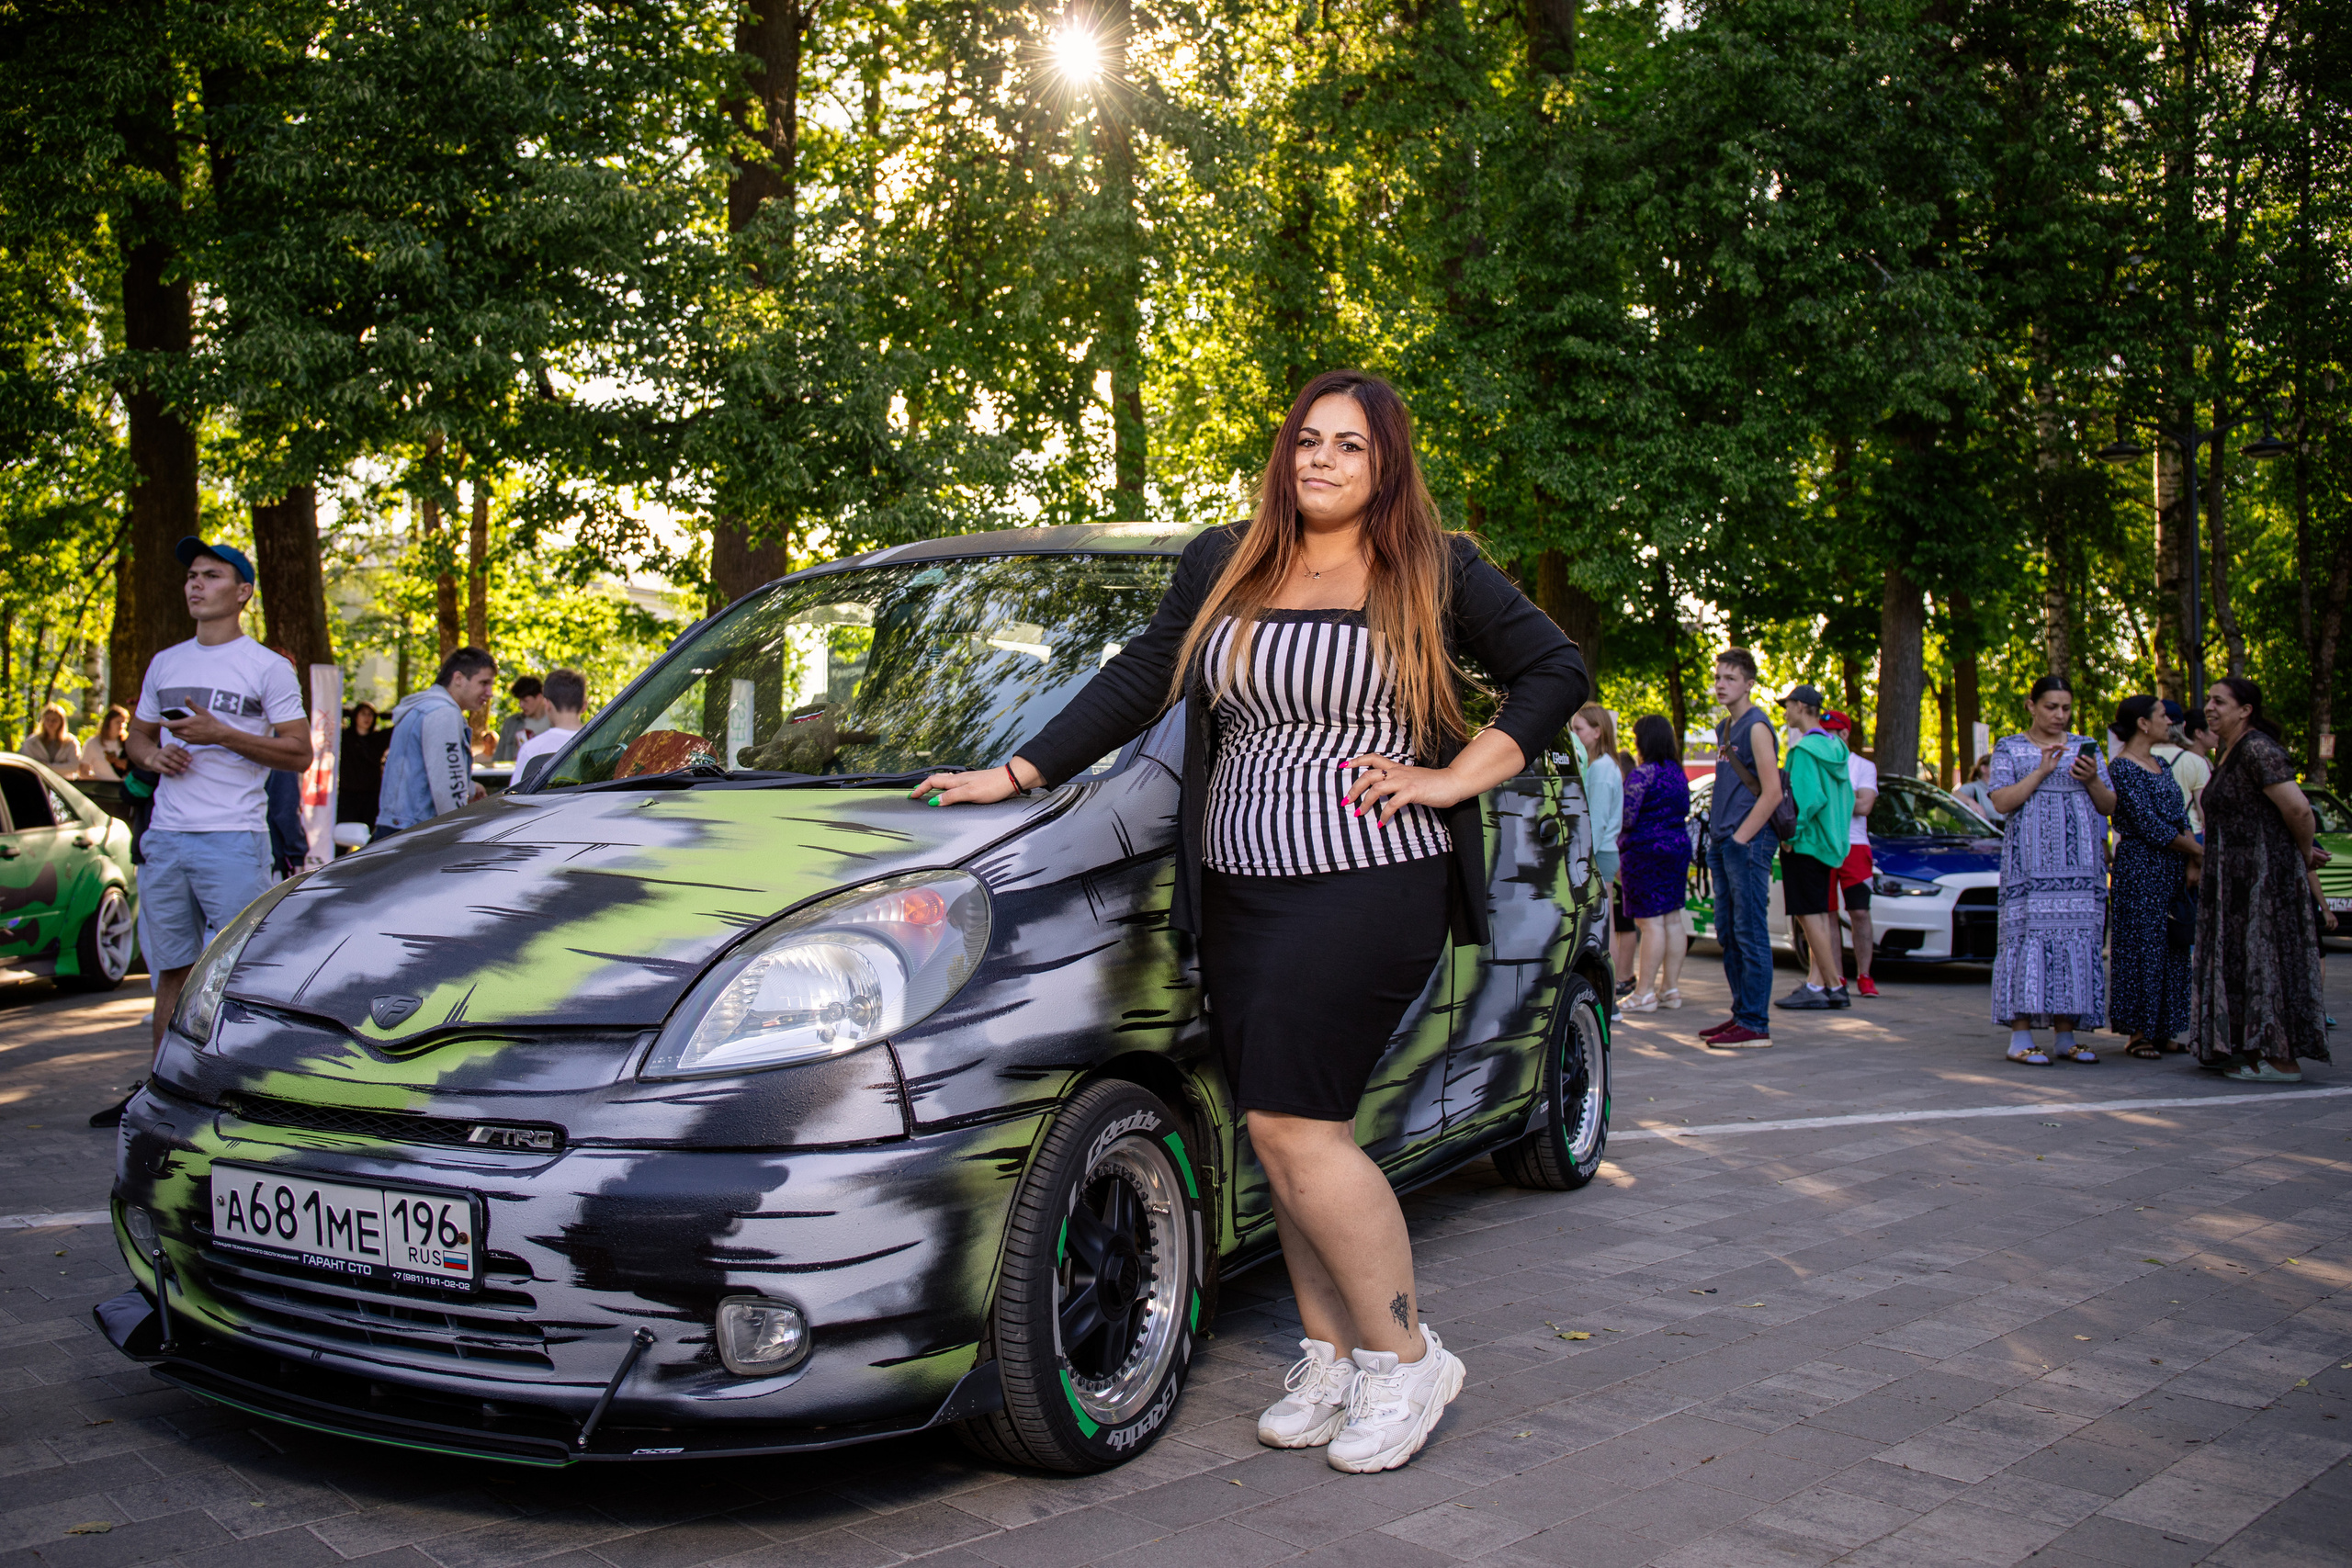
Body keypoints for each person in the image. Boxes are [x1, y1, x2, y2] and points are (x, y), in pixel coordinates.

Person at [908, 369, 1586, 1473]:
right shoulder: (1225, 561)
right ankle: (1332, 1354)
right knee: (1274, 1129)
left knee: (1298, 1129)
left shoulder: (1433, 564)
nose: (1320, 460)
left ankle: (1408, 1361)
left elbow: (1552, 670)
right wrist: (1018, 769)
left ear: (1386, 465)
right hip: (1242, 885)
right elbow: (1144, 678)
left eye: (1348, 446)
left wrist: (1455, 780)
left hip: (1370, 878)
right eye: (1306, 441)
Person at [125, 537, 313, 1050]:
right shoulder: (165, 662)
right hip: (165, 838)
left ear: (243, 593)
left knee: (239, 971)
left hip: (232, 837)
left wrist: (222, 733)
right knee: (171, 971)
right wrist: (151, 757)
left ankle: (237, 1086)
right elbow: (137, 736)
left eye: (211, 575)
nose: (196, 583)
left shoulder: (267, 666)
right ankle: (163, 1087)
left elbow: (299, 753)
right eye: (191, 576)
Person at [2193, 676, 2331, 1083]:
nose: (2210, 708)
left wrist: (2302, 855)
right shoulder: (2228, 750)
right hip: (2233, 880)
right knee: (2243, 963)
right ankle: (2250, 1048)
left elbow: (2299, 810)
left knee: (2267, 961)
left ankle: (2283, 1059)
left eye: (2220, 701)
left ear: (2245, 709)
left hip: (2263, 880)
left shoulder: (2257, 749)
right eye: (2209, 701)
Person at [1986, 674, 2114, 1066]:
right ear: (2031, 706)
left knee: (2074, 945)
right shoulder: (2010, 749)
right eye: (2051, 707)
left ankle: (2066, 1035)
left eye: (2066, 708)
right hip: (2030, 873)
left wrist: (2091, 779)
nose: (2060, 715)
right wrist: (2041, 772)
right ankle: (2020, 1036)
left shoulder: (2084, 748)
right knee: (2027, 944)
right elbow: (2002, 803)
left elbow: (2109, 805)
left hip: (2078, 872)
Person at [2107, 694, 2199, 1058]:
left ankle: (2165, 1026)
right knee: (2141, 946)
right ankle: (2138, 1031)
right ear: (2143, 723)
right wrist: (2197, 851)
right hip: (2141, 866)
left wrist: (2192, 859)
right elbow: (2148, 826)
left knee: (2174, 944)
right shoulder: (2123, 768)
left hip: (2173, 866)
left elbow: (2180, 814)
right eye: (2162, 715)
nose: (2169, 722)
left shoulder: (2160, 762)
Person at [1701, 649, 1783, 1048]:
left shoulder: (1757, 727)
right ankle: (1741, 1014)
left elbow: (1772, 793)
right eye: (1718, 677)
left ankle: (1755, 1023)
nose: (1721, 684)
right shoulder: (1725, 728)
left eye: (1730, 678)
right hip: (1724, 840)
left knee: (1750, 932)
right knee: (1728, 933)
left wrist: (1739, 839)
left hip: (1746, 842)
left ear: (1749, 684)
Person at [1773, 685, 1854, 1011]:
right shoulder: (1836, 747)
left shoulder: (1805, 751)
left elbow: (1806, 802)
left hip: (1805, 843)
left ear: (1802, 707)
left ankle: (1834, 985)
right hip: (1829, 842)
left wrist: (1790, 838)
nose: (1785, 711)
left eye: (1788, 705)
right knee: (1819, 915)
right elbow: (1843, 799)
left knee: (1808, 916)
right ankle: (1815, 983)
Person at [376, 648, 498, 837]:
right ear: (458, 678)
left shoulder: (423, 708)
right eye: (484, 683)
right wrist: (460, 834)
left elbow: (424, 773)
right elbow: (447, 791)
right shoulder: (443, 714)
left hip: (399, 827)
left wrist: (470, 787)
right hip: (417, 834)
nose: (489, 692)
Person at [1617, 715, 1691, 1011]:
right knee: (1672, 919)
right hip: (1676, 848)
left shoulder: (1641, 774)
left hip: (1644, 851)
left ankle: (1643, 993)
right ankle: (1669, 989)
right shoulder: (1677, 772)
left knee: (1649, 923)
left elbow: (1627, 817)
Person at [1569, 705, 1629, 1005]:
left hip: (1601, 852)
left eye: (1579, 729)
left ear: (1597, 731)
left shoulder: (1603, 769)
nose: (1574, 735)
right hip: (1603, 851)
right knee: (1603, 925)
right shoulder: (1601, 766)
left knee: (1605, 927)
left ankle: (1611, 997)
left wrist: (1584, 854)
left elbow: (1598, 818)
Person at [1819, 711, 1880, 996]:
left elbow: (1865, 806)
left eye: (1833, 731)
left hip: (1855, 846)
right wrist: (1849, 798)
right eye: (1824, 731)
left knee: (1859, 911)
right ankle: (1837, 977)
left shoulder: (1863, 767)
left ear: (1845, 734)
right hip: (1825, 845)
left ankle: (1865, 975)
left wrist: (1830, 799)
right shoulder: (1817, 763)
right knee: (1828, 913)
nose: (1828, 736)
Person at [511, 668, 587, 782]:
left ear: (547, 704)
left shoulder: (531, 750)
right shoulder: (601, 742)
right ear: (584, 706)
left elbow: (514, 795)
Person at [2151, 698, 2212, 835]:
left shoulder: (2139, 759)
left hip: (2154, 838)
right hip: (2191, 835)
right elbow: (2206, 812)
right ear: (2183, 726)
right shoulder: (2196, 762)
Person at [337, 702, 389, 830]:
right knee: (344, 836)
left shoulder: (378, 739)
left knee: (370, 837)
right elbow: (334, 713)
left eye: (370, 714)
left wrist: (381, 715)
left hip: (371, 795)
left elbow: (399, 720)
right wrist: (351, 712)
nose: (367, 718)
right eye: (363, 714)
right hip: (348, 794)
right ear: (355, 716)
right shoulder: (344, 737)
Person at [493, 675, 551, 762]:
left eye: (525, 700)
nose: (521, 705)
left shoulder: (554, 722)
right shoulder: (511, 723)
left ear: (539, 697)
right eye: (520, 701)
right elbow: (498, 757)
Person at [21, 703, 80, 772]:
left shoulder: (70, 742)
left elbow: (74, 766)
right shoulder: (32, 742)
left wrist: (46, 766)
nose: (50, 723)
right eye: (47, 720)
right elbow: (28, 765)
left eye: (54, 720)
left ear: (61, 722)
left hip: (64, 781)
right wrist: (61, 766)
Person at [79, 705, 130, 781]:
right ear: (108, 723)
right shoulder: (93, 743)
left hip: (123, 786)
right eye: (118, 722)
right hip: (101, 786)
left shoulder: (128, 743)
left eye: (124, 722)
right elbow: (83, 770)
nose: (122, 725)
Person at [1957, 753, 2002, 826]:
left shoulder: (2001, 789)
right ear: (1984, 768)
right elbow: (1954, 796)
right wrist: (1970, 802)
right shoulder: (1973, 787)